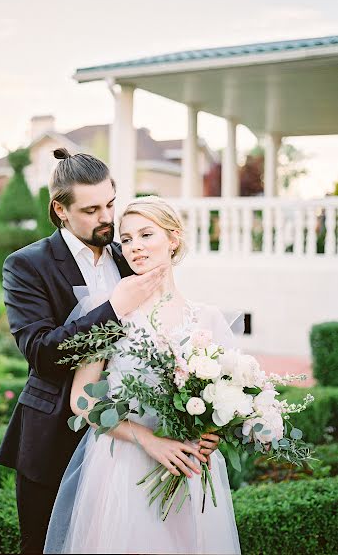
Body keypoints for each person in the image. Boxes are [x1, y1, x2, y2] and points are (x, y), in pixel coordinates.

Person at [0, 149, 178, 554]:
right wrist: (114, 309)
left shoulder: (127, 254)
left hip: (125, 443)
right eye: (91, 209)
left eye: (111, 203)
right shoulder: (27, 265)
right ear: (60, 210)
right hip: (53, 439)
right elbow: (41, 352)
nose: (107, 218)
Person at [44, 196, 241, 555]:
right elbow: (82, 401)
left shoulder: (207, 318)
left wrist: (213, 433)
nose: (134, 247)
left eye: (146, 235)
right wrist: (147, 439)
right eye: (127, 238)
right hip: (123, 465)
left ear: (173, 238)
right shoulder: (108, 312)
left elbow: (231, 395)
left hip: (188, 464)